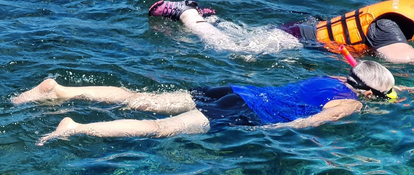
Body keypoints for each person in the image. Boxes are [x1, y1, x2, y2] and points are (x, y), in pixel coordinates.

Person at [11, 60, 399, 146]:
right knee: (159, 129)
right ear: (368, 93)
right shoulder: (352, 103)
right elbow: (308, 124)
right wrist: (272, 132)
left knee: (138, 100)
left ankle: (61, 91)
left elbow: (369, 81)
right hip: (248, 112)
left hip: (235, 91)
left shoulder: (333, 78)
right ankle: (74, 127)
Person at [148, 0, 414, 63]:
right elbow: (399, 58)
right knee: (233, 49)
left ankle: (211, 19)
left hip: (309, 34)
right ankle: (186, 12)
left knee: (241, 38)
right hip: (298, 38)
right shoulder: (392, 23)